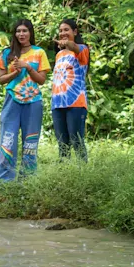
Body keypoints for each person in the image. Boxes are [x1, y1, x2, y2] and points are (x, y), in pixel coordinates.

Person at [0, 18, 49, 184]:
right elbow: (1, 80)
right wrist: (15, 74)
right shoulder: (7, 53)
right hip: (12, 101)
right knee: (7, 141)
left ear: (30, 33)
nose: (21, 34)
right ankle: (3, 183)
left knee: (30, 144)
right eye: (18, 31)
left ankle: (27, 184)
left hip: (33, 102)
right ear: (14, 34)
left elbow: (42, 80)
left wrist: (28, 66)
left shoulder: (39, 52)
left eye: (24, 31)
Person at [50, 18, 90, 161]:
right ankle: (64, 177)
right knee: (63, 146)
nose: (62, 33)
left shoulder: (82, 49)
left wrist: (69, 44)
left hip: (76, 103)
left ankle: (83, 176)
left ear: (75, 31)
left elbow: (75, 47)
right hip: (57, 103)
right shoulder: (59, 55)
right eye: (60, 30)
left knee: (77, 142)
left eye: (66, 30)